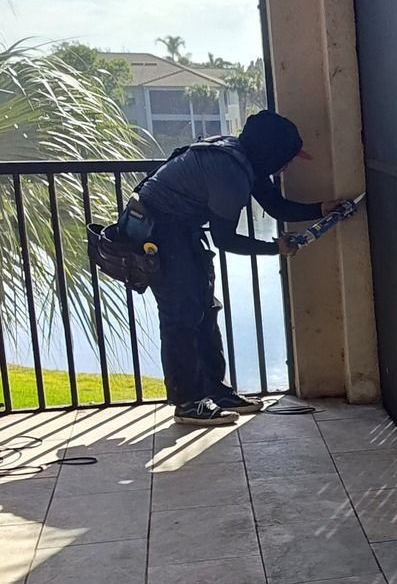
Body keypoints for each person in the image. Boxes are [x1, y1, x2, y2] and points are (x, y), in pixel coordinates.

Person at [133, 108, 331, 423]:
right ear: (271, 154)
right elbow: (226, 240)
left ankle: (215, 390)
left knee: (205, 308)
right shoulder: (229, 173)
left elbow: (276, 206)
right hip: (160, 233)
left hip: (181, 232)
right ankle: (188, 403)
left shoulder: (243, 158)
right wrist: (272, 248)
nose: (288, 166)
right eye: (288, 158)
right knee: (181, 316)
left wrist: (323, 208)